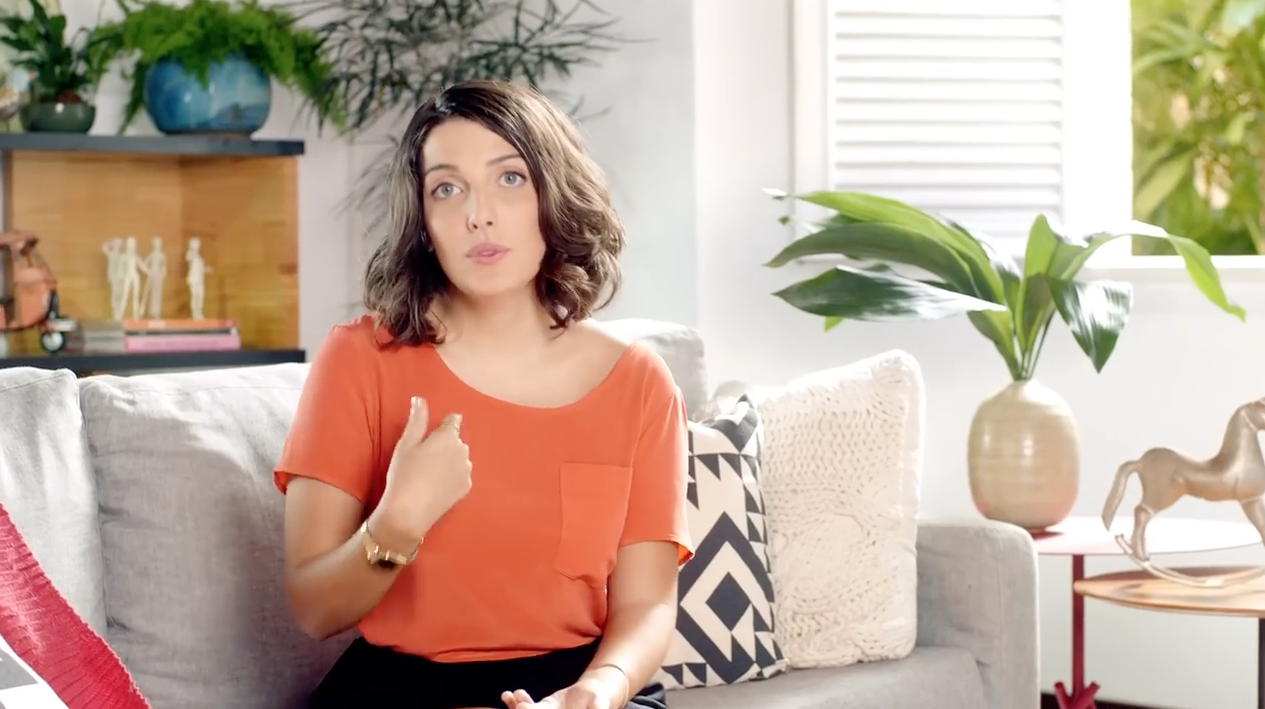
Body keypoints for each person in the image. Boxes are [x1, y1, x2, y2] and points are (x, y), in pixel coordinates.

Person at [273, 78, 694, 709]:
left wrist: (597, 692)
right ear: (424, 224)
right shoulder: (360, 360)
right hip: (402, 692)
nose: (479, 214)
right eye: (447, 189)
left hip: (581, 686)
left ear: (554, 197)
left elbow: (647, 602)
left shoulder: (639, 384)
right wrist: (399, 521)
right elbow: (314, 609)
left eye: (510, 178)